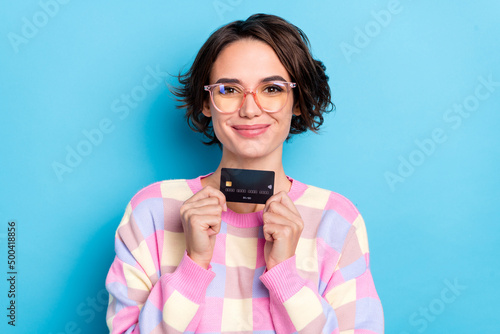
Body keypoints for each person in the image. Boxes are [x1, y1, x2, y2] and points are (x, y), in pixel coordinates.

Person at [105, 13, 384, 333]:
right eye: (228, 90)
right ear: (206, 102)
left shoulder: (336, 220)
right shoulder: (152, 211)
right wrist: (193, 266)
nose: (250, 109)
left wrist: (285, 276)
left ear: (296, 100)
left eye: (272, 89)